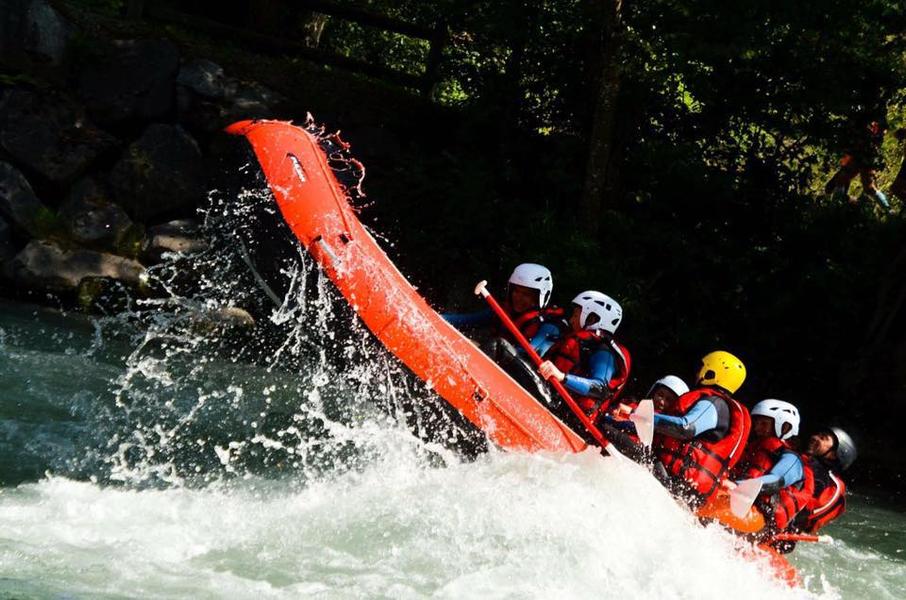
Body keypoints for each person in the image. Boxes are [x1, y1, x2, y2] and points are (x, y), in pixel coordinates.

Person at [650, 351, 751, 509]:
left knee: (611, 431)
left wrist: (644, 416)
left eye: (702, 368)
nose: (697, 373)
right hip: (688, 489)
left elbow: (685, 428)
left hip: (675, 480)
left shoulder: (714, 403)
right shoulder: (721, 406)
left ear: (713, 373)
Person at [537, 291, 631, 426]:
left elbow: (599, 388)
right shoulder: (576, 339)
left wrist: (562, 377)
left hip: (572, 421)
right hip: (554, 402)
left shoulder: (605, 352)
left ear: (592, 319)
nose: (571, 320)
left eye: (576, 315)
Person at [728, 400, 813, 539]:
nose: (757, 428)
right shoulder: (753, 448)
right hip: (740, 503)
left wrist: (736, 485)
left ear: (784, 427)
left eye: (763, 424)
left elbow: (775, 480)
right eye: (756, 423)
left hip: (763, 518)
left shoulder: (792, 459)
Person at [443, 263, 566, 352]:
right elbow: (464, 320)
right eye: (516, 291)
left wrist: (478, 348)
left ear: (541, 296)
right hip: (495, 361)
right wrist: (436, 317)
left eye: (526, 294)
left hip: (525, 377)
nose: (518, 297)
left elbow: (527, 354)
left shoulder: (550, 326)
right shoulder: (504, 310)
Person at [794, 426, 856, 535]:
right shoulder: (801, 458)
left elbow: (805, 514)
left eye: (823, 438)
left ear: (833, 455)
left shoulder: (824, 481)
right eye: (818, 435)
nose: (815, 438)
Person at [825, 120, 891, 211]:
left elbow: (879, 131)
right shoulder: (867, 121)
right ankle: (835, 208)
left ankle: (889, 211)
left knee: (867, 186)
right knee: (843, 180)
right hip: (863, 151)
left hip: (864, 152)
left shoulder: (873, 119)